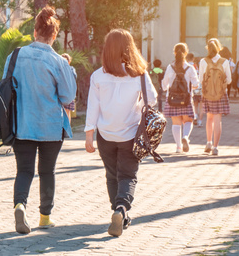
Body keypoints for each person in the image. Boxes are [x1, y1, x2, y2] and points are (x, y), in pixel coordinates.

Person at [3, 5, 77, 234]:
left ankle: (19, 205)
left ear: (34, 32)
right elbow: (67, 96)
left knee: (23, 171)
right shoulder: (58, 62)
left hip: (21, 124)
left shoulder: (14, 56)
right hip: (50, 126)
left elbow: (5, 87)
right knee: (47, 171)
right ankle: (44, 217)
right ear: (54, 36)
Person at [85, 28, 157, 237]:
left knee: (111, 174)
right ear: (130, 49)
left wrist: (89, 136)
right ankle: (121, 209)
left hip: (105, 134)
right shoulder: (139, 75)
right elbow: (151, 101)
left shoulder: (98, 76)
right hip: (131, 135)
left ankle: (117, 212)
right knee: (127, 175)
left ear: (107, 50)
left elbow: (93, 107)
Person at [162, 44, 199, 153]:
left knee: (176, 123)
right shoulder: (190, 68)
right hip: (186, 99)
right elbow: (196, 84)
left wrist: (166, 87)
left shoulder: (170, 67)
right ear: (186, 53)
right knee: (188, 120)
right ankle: (186, 137)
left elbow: (164, 84)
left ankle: (178, 147)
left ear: (174, 53)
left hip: (172, 99)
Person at [199, 38, 231, 156]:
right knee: (218, 120)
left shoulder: (203, 61)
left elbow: (200, 79)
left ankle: (208, 142)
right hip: (220, 94)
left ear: (208, 47)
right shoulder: (224, 61)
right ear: (219, 47)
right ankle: (216, 147)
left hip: (207, 94)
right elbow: (229, 79)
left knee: (209, 119)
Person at [61, 53, 76, 122]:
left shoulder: (71, 69)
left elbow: (73, 78)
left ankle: (68, 130)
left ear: (69, 62)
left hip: (69, 93)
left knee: (67, 112)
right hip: (61, 94)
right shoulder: (59, 70)